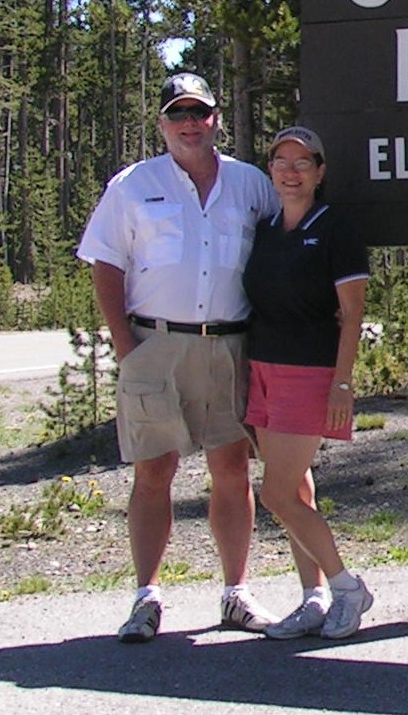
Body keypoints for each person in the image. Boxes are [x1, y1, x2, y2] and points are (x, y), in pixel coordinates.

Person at [76, 72, 280, 644]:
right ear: (162, 123)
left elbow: (282, 248)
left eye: (200, 112)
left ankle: (236, 592)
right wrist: (126, 347)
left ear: (216, 119)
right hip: (155, 345)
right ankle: (146, 597)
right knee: (153, 471)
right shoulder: (132, 186)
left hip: (229, 344)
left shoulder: (250, 185)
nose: (191, 124)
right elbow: (105, 264)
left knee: (232, 469)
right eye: (178, 114)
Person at [242, 124, 376, 640]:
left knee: (275, 494)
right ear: (270, 170)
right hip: (263, 369)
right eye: (282, 162)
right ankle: (312, 598)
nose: (291, 172)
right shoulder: (265, 228)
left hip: (310, 373)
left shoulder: (336, 228)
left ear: (320, 173)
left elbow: (352, 312)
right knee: (295, 487)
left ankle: (347, 587)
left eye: (303, 163)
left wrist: (342, 382)